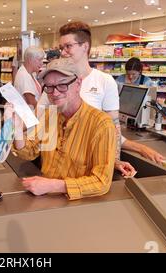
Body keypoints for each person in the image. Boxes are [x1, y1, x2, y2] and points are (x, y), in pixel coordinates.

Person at [38, 21, 135, 177]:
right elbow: (40, 120)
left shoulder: (104, 81)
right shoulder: (54, 80)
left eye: (68, 46)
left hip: (89, 169)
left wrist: (114, 160)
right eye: (61, 48)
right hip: (57, 166)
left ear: (85, 46)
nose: (63, 52)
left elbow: (113, 126)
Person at [11, 58, 116, 199]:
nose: (54, 93)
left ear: (78, 84)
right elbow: (29, 152)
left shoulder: (101, 124)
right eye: (49, 87)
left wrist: (53, 185)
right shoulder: (50, 115)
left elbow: (101, 182)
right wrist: (17, 128)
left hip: (79, 205)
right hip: (45, 198)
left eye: (62, 85)